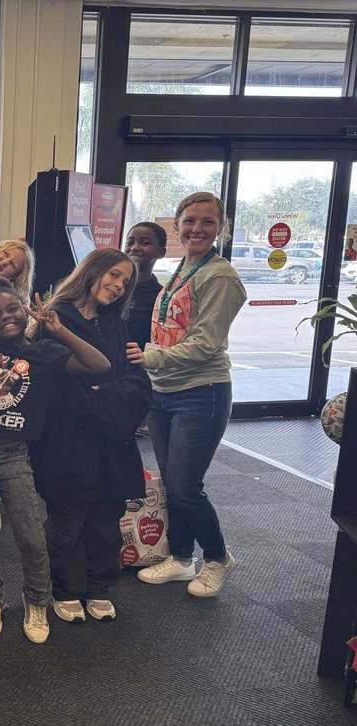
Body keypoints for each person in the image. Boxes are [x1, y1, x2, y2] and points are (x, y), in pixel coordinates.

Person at [0, 276, 111, 644]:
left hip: (15, 454)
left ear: (25, 307)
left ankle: (37, 601)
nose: (6, 317)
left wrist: (59, 330)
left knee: (31, 534)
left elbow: (100, 366)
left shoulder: (45, 352)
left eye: (12, 307)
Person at [128, 192, 246, 597]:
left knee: (185, 485)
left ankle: (216, 557)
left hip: (202, 392)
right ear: (177, 225)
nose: (197, 229)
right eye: (190, 221)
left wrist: (150, 357)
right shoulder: (182, 269)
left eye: (207, 222)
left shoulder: (220, 276)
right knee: (171, 479)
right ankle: (180, 557)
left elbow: (206, 343)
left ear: (220, 228)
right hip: (164, 391)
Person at [32, 249, 150, 624]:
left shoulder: (116, 325)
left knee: (105, 517)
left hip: (111, 443)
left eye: (125, 282)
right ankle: (66, 589)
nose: (118, 286)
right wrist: (106, 391)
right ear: (92, 271)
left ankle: (100, 586)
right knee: (68, 518)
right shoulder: (53, 319)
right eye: (114, 275)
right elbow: (57, 386)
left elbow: (137, 385)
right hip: (66, 442)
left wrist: (106, 393)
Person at [125, 222, 167, 350]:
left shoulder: (162, 297)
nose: (135, 248)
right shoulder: (113, 288)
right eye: (130, 242)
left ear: (161, 252)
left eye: (145, 243)